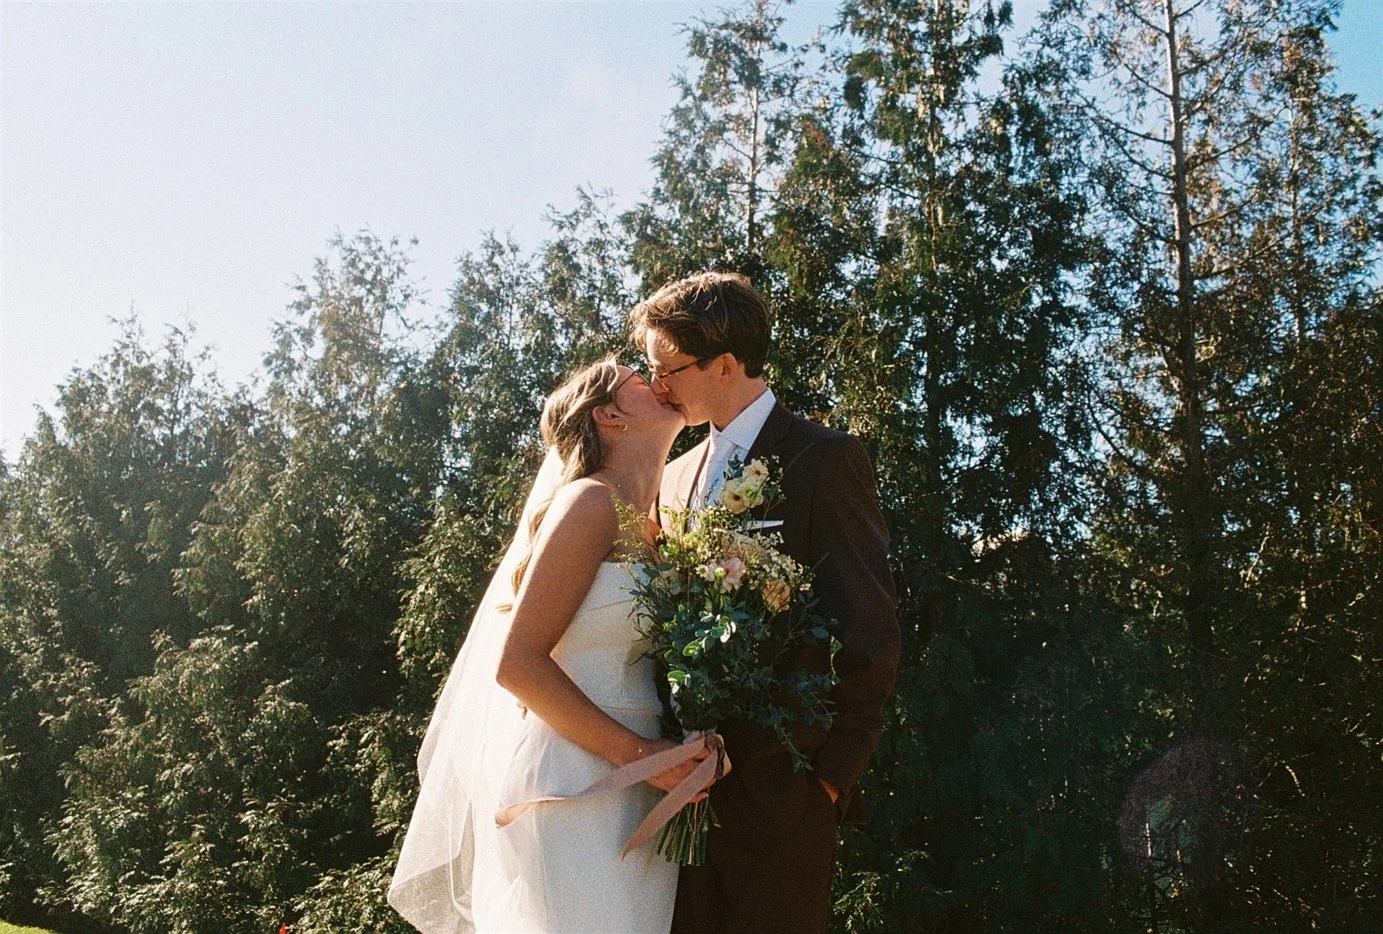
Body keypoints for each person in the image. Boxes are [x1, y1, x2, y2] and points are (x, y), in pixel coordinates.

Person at [388, 357, 705, 934]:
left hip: (643, 785)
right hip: (572, 782)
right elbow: (517, 664)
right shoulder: (589, 503)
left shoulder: (664, 521)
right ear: (609, 415)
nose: (658, 378)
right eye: (639, 375)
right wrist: (640, 757)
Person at [631, 272, 901, 934]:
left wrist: (826, 783)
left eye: (667, 368)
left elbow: (868, 626)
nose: (655, 385)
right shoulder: (669, 478)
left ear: (725, 363)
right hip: (678, 790)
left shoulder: (823, 459)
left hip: (784, 793)